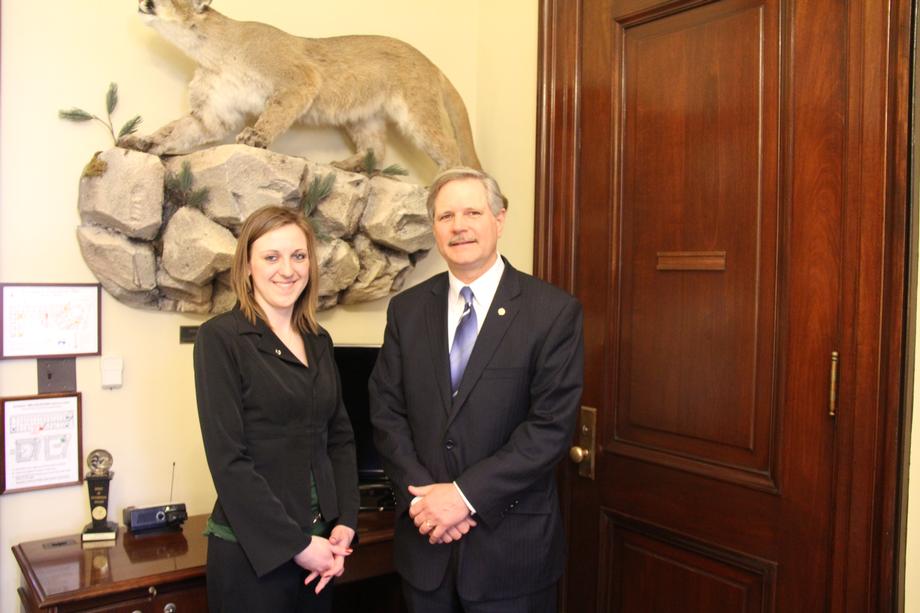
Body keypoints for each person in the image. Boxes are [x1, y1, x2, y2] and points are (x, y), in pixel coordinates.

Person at [369, 167, 584, 612]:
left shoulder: (552, 313)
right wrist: (427, 502)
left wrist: (463, 498)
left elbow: (549, 429)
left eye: (472, 211)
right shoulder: (407, 311)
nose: (459, 226)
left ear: (499, 219)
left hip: (510, 554)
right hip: (426, 548)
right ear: (434, 228)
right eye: (446, 215)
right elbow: (386, 412)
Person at [193, 205, 359, 612]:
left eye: (298, 256)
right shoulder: (221, 339)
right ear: (247, 266)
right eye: (271, 257)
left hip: (321, 551)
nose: (287, 269)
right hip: (253, 556)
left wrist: (345, 523)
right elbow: (229, 461)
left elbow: (339, 438)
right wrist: (297, 545)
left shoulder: (318, 340)